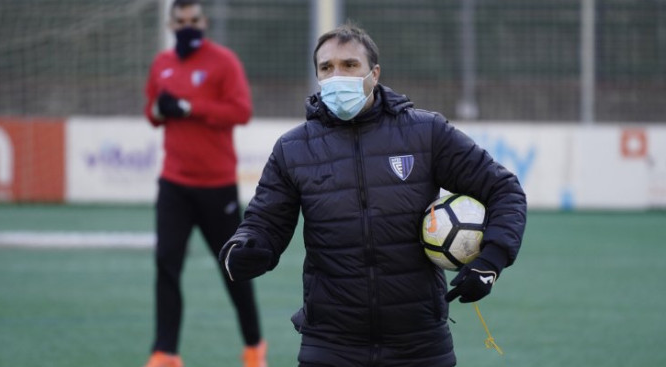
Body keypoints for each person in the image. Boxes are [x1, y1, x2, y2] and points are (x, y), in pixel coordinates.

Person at [218, 23, 527, 367]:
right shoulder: (293, 149)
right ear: (318, 77)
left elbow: (504, 189)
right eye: (327, 68)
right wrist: (247, 246)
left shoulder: (426, 133)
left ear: (374, 73)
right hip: (330, 342)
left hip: (420, 341)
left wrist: (490, 263)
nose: (338, 76)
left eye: (350, 65)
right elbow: (265, 222)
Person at [142, 1, 266, 367]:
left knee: (233, 267)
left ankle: (254, 347)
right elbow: (151, 114)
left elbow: (241, 111)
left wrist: (190, 107)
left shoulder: (224, 61)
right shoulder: (162, 64)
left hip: (217, 186)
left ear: (204, 22)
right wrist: (162, 109)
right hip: (174, 185)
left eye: (193, 21)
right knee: (166, 265)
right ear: (170, 24)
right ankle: (165, 352)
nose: (187, 27)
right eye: (180, 22)